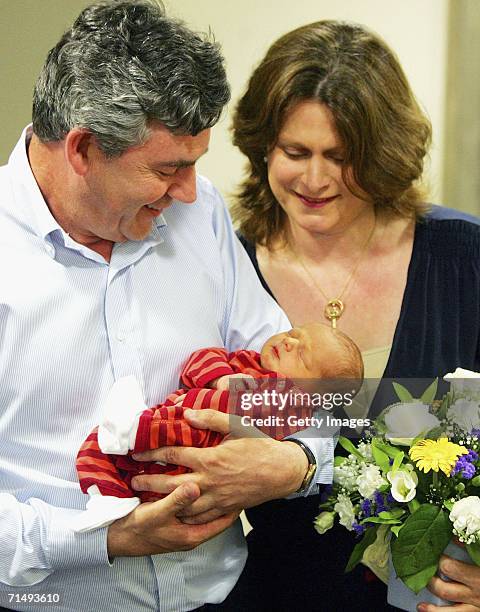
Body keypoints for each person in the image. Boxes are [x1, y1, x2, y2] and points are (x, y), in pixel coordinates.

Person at [0, 3, 338, 611]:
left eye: (195, 165)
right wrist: (105, 540)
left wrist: (293, 463)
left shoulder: (197, 210)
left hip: (228, 599)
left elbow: (319, 394)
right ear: (82, 149)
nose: (190, 190)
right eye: (168, 169)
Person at [210, 19, 480, 612]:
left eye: (341, 157)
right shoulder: (224, 275)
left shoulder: (465, 257)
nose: (314, 180)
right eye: (295, 151)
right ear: (263, 146)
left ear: (383, 154)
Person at [73, 323, 364, 532]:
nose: (289, 342)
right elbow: (199, 359)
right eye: (292, 334)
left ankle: (131, 434)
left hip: (194, 443)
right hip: (169, 414)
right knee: (94, 447)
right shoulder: (243, 360)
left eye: (302, 356)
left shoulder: (293, 405)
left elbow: (260, 421)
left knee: (166, 434)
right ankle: (106, 497)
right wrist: (220, 377)